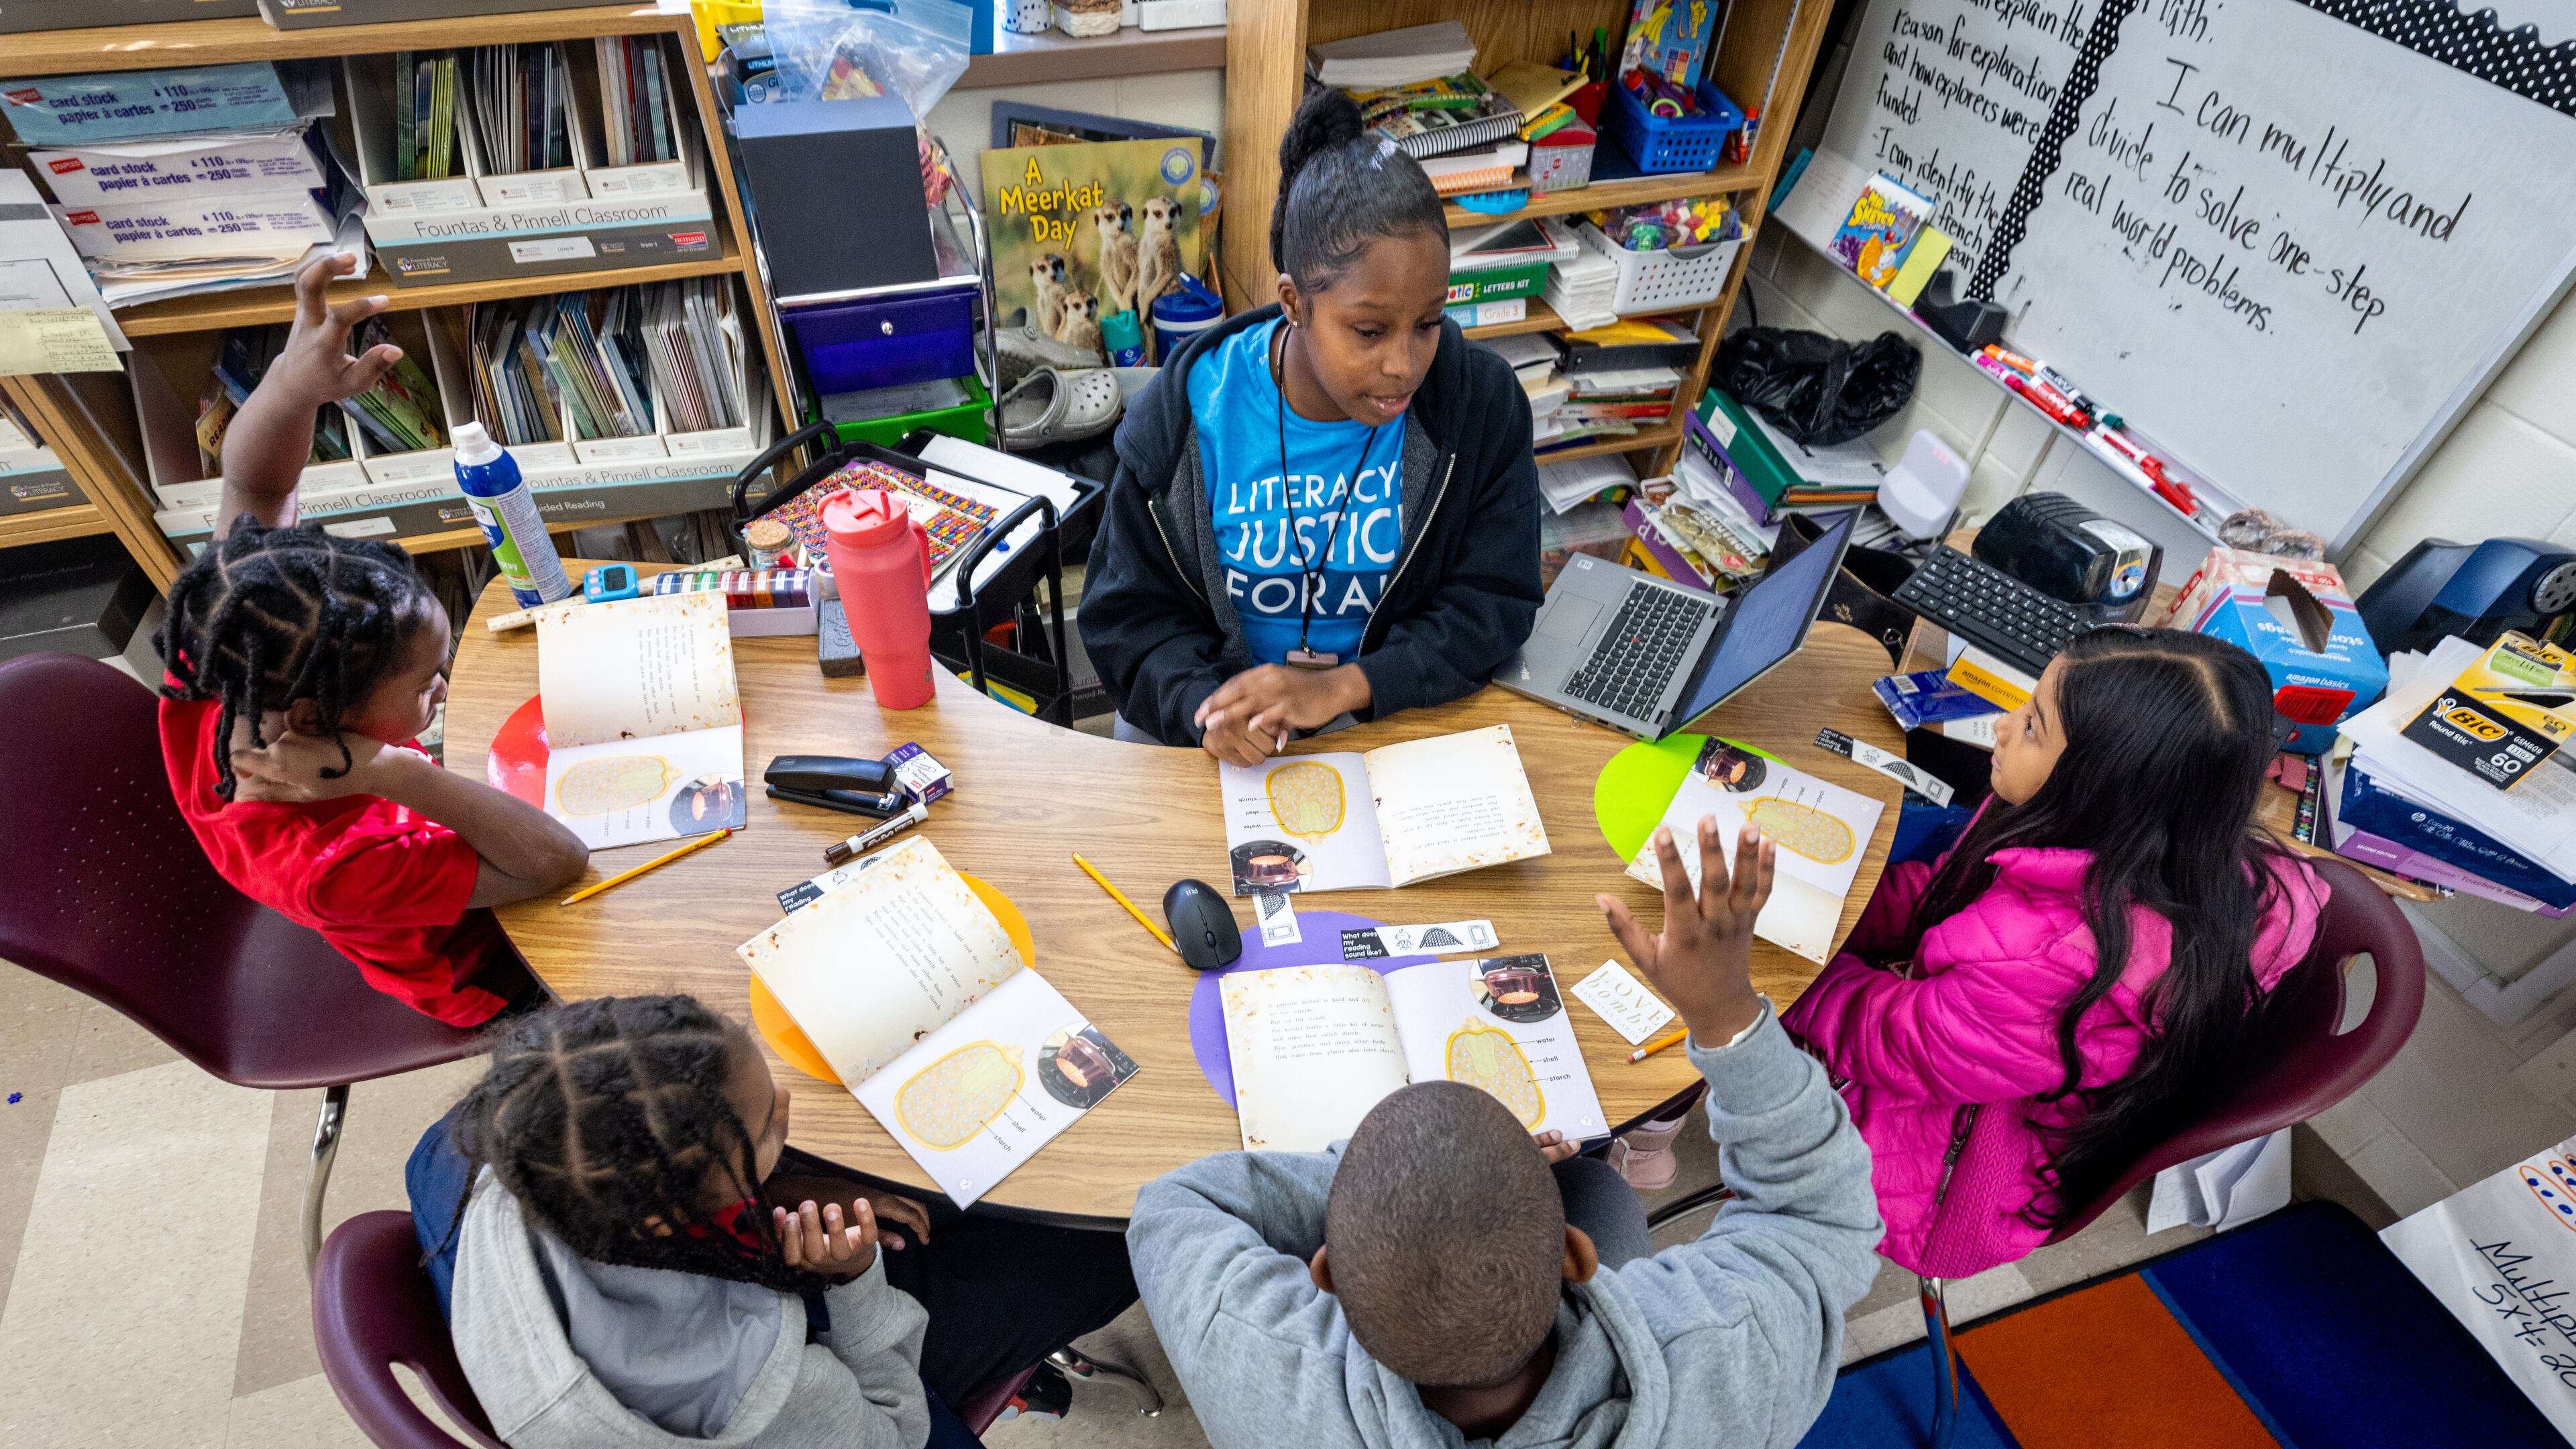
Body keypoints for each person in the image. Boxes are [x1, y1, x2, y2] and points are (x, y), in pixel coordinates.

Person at [1126, 820, 1884, 1449]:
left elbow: (1172, 1211)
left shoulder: (1264, 1375)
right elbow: (1824, 1221)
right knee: (1592, 1183)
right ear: (1576, 1255)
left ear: (1323, 1273)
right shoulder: (1726, 1358)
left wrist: (1387, 1189)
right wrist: (1726, 1019)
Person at [1782, 627, 2326, 1279]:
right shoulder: (2119, 833)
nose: (2002, 729)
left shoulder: (2063, 966)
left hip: (1934, 1187)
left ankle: (1651, 1147)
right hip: (1955, 1062)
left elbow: (1896, 1041)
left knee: (1694, 1016)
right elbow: (1950, 893)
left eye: (2034, 726)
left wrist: (1790, 969)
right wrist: (1831, 906)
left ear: (2105, 784)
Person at [156, 253, 588, 1027]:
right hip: (493, 971)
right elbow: (557, 863)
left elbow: (254, 490)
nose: (444, 690)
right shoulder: (336, 865)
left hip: (432, 829)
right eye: (426, 686)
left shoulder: (225, 660)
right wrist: (398, 774)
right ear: (328, 726)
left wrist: (292, 387)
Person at [430, 995, 1140, 1448]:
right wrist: (856, 1280)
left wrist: (780, 1181)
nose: (790, 1108)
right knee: (1112, 1239)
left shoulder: (513, 1128)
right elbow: (899, 1430)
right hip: (839, 1395)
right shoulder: (754, 1394)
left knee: (938, 1194)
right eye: (767, 1130)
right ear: (674, 1210)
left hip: (731, 1290)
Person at [1080, 87, 1542, 764]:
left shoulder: (1480, 405)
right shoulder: (1181, 421)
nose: (1403, 365)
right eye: (1369, 330)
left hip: (1388, 717)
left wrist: (1349, 687)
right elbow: (1128, 623)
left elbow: (1493, 606)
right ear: (1293, 303)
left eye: (1428, 323)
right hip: (1208, 729)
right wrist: (1204, 707)